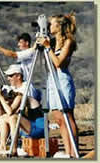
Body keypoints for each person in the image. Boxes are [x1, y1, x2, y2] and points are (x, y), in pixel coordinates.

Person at [36, 13, 78, 158]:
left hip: (62, 79)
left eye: (52, 23)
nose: (49, 26)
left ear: (59, 26)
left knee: (67, 115)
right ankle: (68, 152)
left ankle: (74, 151)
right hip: (51, 79)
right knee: (58, 117)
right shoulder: (53, 42)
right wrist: (43, 45)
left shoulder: (68, 42)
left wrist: (48, 47)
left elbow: (59, 63)